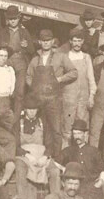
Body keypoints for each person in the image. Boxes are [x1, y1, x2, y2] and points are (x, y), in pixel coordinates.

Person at [26, 29, 78, 158]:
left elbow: (74, 72)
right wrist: (34, 87)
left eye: (48, 41)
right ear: (39, 42)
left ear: (52, 41)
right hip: (39, 100)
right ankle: (44, 157)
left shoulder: (60, 57)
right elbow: (28, 76)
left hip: (54, 99)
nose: (46, 43)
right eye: (43, 41)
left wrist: (59, 79)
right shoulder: (35, 60)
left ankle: (57, 158)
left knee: (56, 130)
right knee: (43, 130)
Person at [59, 120, 104, 199]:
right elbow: (55, 162)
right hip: (78, 190)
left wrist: (100, 182)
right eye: (75, 134)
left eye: (80, 134)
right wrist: (65, 170)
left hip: (93, 190)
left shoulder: (94, 151)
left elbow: (103, 170)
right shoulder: (68, 151)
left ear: (85, 135)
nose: (77, 137)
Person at [15, 95, 61, 199]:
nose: (32, 112)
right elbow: (14, 145)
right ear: (25, 109)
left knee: (55, 171)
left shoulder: (42, 123)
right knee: (20, 169)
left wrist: (45, 156)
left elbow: (49, 143)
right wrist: (26, 155)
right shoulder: (18, 123)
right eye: (29, 109)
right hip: (25, 157)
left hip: (41, 155)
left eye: (34, 109)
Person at [0, 5, 35, 122]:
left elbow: (32, 50)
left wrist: (26, 46)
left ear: (19, 18)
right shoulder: (2, 32)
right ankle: (5, 116)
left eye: (15, 18)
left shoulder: (24, 32)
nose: (13, 21)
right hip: (7, 62)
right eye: (10, 18)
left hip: (20, 62)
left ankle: (16, 119)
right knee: (6, 90)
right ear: (7, 19)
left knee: (20, 91)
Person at [60, 29, 97, 148]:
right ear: (70, 42)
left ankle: (82, 157)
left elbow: (91, 79)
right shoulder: (64, 57)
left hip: (83, 100)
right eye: (74, 41)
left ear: (82, 42)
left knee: (83, 129)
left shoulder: (86, 57)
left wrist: (91, 96)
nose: (77, 43)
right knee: (66, 130)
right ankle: (64, 158)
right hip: (68, 99)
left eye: (79, 41)